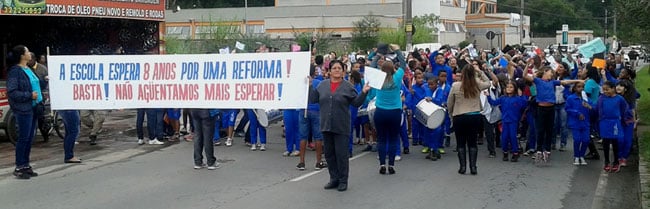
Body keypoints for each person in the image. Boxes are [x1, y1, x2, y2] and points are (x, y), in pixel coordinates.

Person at [309, 59, 370, 192]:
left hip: (341, 125)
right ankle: (334, 178)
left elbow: (356, 103)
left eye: (339, 68)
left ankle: (343, 180)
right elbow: (313, 99)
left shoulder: (348, 86)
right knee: (330, 154)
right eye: (334, 68)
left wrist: (364, 92)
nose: (337, 70)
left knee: (341, 155)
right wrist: (308, 85)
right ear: (329, 71)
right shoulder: (322, 85)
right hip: (326, 124)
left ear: (343, 71)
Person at [522, 66, 583, 164]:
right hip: (541, 108)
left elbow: (565, 82)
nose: (552, 74)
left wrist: (578, 80)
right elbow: (524, 75)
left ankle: (547, 150)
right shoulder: (538, 81)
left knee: (550, 129)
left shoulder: (553, 82)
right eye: (551, 72)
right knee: (540, 130)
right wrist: (528, 64)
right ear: (545, 72)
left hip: (551, 108)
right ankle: (539, 150)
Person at [447, 64, 496, 175]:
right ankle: (473, 167)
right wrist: (480, 72)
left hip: (459, 115)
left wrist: (451, 114)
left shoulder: (455, 85)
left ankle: (462, 167)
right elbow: (488, 82)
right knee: (472, 142)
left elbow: (450, 102)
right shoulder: (477, 84)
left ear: (462, 74)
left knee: (461, 142)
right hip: (474, 115)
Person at [8, 45, 44, 179]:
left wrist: (44, 81)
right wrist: (29, 95)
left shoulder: (28, 69)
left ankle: (26, 165)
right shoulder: (15, 71)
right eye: (27, 51)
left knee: (30, 138)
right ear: (22, 55)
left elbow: (36, 84)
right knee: (23, 138)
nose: (30, 54)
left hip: (34, 107)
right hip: (23, 109)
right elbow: (12, 92)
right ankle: (19, 166)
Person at [371, 44, 406, 175]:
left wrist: (378, 55)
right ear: (393, 69)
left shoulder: (378, 78)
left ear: (381, 69)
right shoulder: (397, 78)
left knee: (381, 139)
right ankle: (391, 165)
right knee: (392, 138)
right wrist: (397, 50)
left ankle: (381, 164)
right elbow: (403, 64)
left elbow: (371, 67)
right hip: (395, 112)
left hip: (380, 111)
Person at [486, 80, 527, 162]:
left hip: (514, 121)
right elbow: (494, 103)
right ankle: (505, 152)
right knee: (504, 138)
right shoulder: (503, 98)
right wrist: (488, 96)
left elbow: (524, 104)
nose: (508, 88)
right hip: (505, 121)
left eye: (511, 87)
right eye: (507, 87)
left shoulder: (517, 99)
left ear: (515, 89)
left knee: (513, 137)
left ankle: (515, 153)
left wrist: (521, 95)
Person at [297, 66, 327, 170]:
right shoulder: (318, 83)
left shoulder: (300, 83)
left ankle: (301, 162)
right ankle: (318, 162)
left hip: (303, 110)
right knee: (318, 137)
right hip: (316, 110)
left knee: (303, 136)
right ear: (314, 72)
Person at [596, 81, 628, 173]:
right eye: (604, 90)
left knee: (615, 142)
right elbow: (597, 108)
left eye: (607, 89)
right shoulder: (601, 98)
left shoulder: (619, 99)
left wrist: (621, 117)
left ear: (613, 88)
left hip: (615, 122)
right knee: (605, 142)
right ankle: (606, 161)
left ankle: (616, 162)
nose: (605, 91)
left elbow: (624, 108)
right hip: (604, 122)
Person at [565, 82, 591, 166]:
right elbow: (567, 109)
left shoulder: (586, 98)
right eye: (579, 87)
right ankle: (576, 156)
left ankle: (582, 155)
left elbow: (593, 107)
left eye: (583, 87)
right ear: (575, 88)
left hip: (585, 122)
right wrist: (577, 113)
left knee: (586, 140)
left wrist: (589, 106)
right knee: (577, 140)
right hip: (575, 122)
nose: (581, 88)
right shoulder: (571, 98)